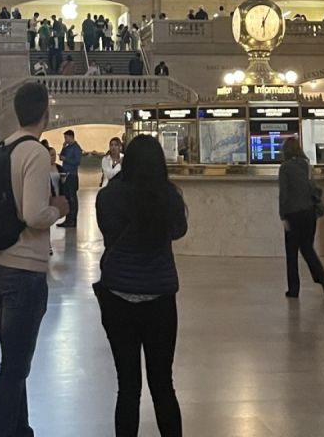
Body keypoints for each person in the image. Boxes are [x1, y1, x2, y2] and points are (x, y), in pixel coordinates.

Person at [0, 81, 69, 437]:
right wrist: (59, 209)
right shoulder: (35, 152)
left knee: (13, 361)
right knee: (15, 367)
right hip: (24, 269)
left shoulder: (4, 147)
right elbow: (34, 214)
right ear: (45, 113)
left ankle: (20, 429)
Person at [93, 134, 187, 437]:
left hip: (118, 294)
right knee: (163, 384)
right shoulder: (169, 196)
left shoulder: (108, 196)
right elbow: (178, 231)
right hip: (159, 295)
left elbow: (108, 232)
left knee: (128, 387)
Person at [277, 135, 324, 299]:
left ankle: (294, 289)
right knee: (307, 248)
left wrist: (283, 214)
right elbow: (312, 188)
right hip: (309, 212)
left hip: (293, 213)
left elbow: (284, 194)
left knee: (291, 252)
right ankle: (322, 277)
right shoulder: (306, 165)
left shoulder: (285, 168)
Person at [58, 130, 83, 229]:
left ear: (71, 137)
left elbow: (77, 161)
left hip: (72, 175)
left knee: (72, 199)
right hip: (66, 174)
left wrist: (66, 159)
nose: (65, 140)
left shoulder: (77, 148)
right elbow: (62, 156)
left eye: (66, 138)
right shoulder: (67, 148)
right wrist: (63, 147)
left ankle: (73, 220)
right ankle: (68, 219)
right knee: (67, 198)